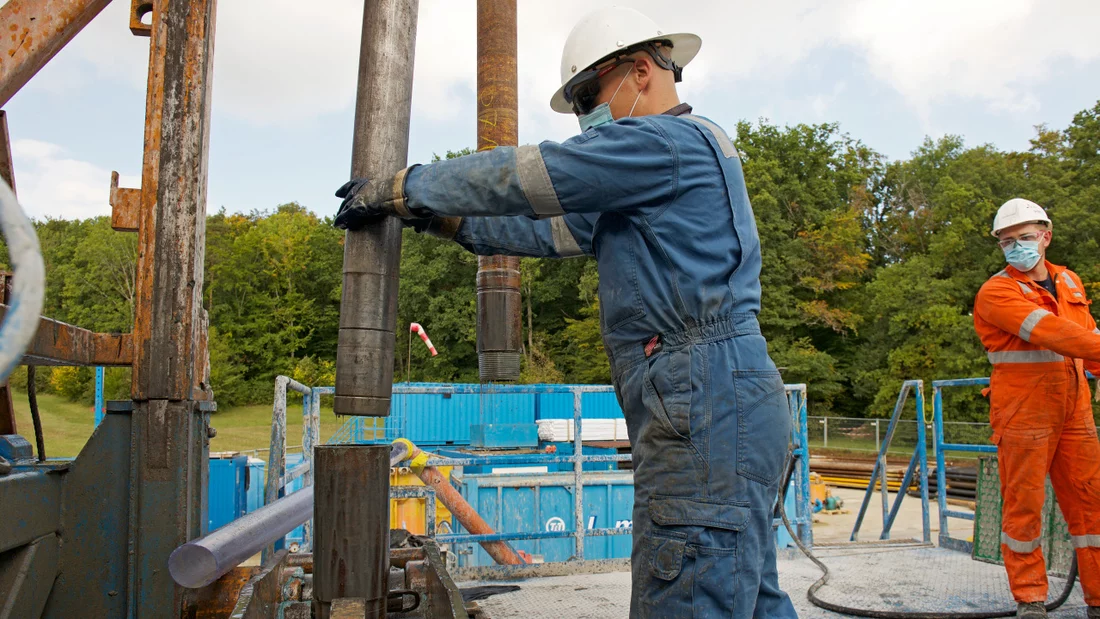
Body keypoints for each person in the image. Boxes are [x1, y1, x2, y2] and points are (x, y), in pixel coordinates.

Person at [334, 6, 796, 617]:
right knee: (743, 590)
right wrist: (442, 219)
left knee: (688, 587)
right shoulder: (647, 183)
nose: (585, 117)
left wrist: (406, 186)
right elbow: (541, 230)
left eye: (587, 94)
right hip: (723, 401)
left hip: (704, 398)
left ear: (639, 70)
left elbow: (526, 176)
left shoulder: (661, 145)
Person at [973, 198, 1100, 618]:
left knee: (1091, 502)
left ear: (1046, 237)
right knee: (1024, 505)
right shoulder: (997, 292)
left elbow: (1087, 337)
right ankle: (1030, 598)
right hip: (1024, 413)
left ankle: (1098, 597)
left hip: (1075, 411)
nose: (1017, 247)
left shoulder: (1069, 282)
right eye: (1007, 241)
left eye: (1025, 237)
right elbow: (1052, 333)